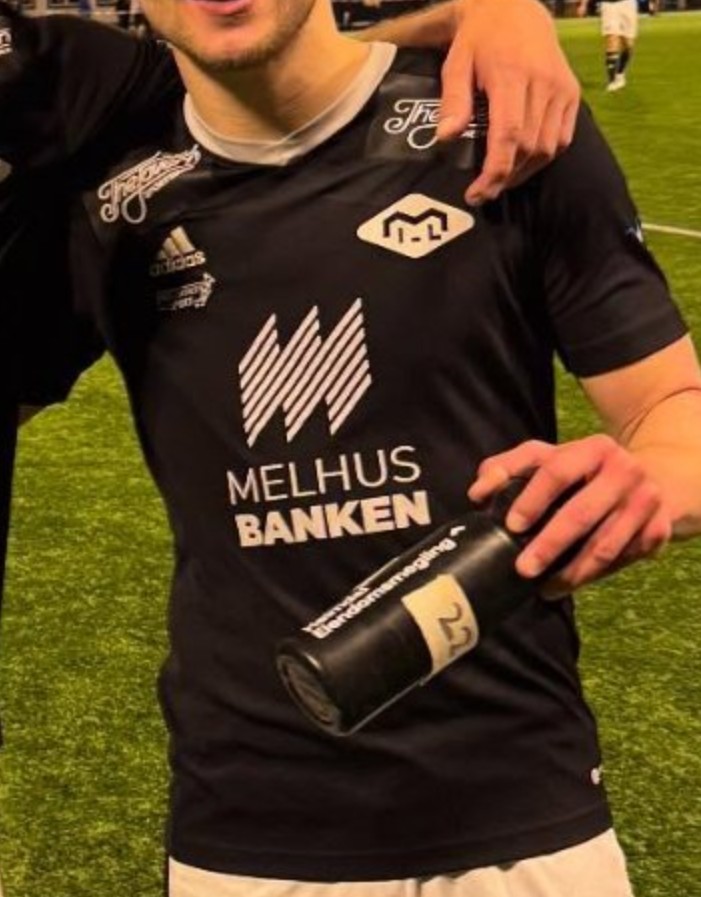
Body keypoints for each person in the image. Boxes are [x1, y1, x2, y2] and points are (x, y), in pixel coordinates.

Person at [5, 3, 701, 897]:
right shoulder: (100, 203)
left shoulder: (500, 118)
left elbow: (671, 409)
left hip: (520, 815)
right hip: (245, 832)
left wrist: (651, 482)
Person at [578, 0, 637, 92]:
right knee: (612, 40)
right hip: (608, 5)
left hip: (627, 4)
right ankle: (612, 81)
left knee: (628, 44)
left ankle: (620, 73)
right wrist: (583, 4)